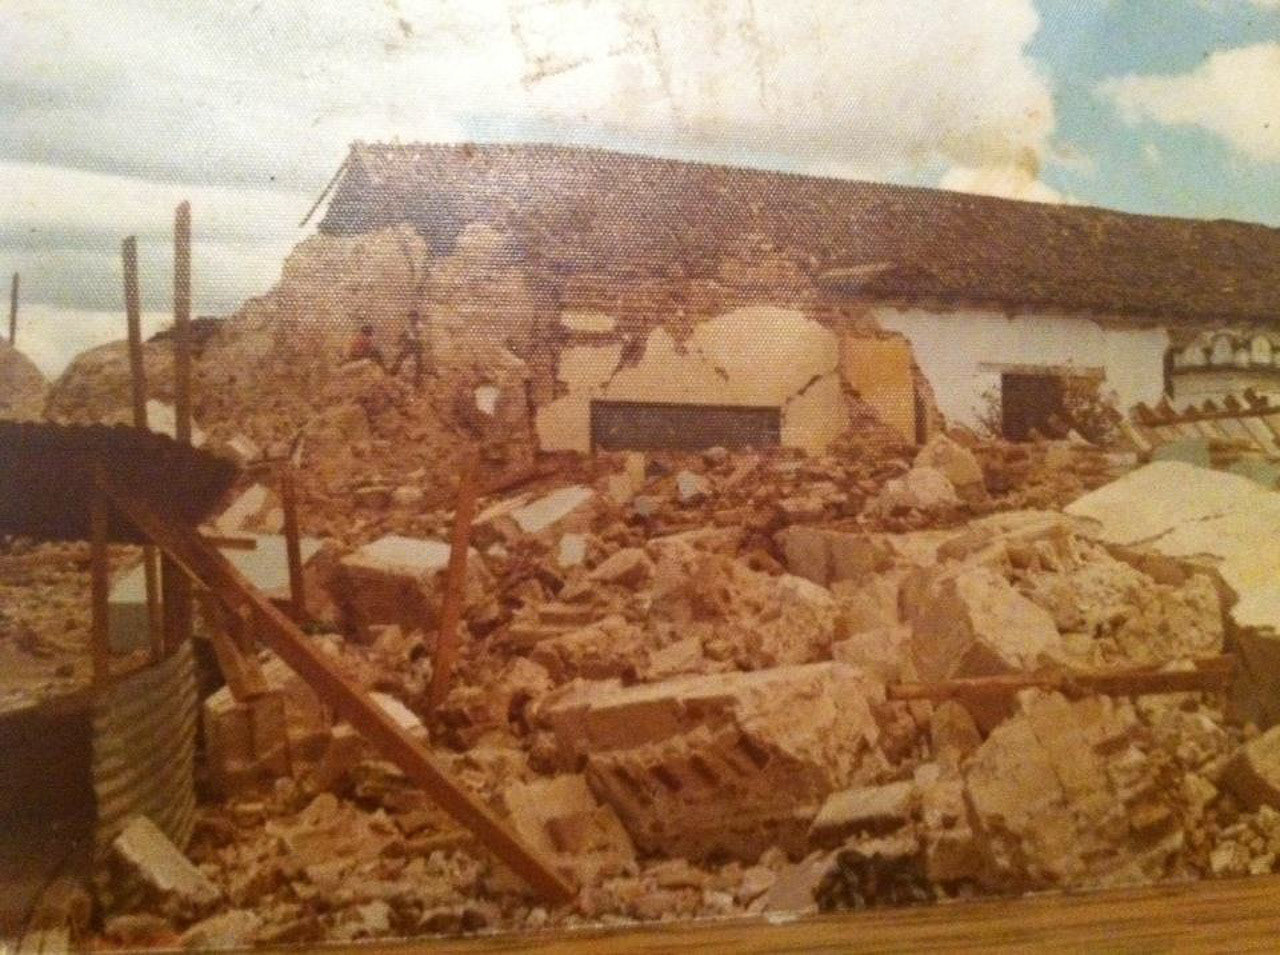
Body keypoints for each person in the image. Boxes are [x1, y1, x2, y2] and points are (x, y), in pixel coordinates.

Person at [390, 309, 427, 388]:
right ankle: (393, 372)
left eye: (413, 317)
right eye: (410, 317)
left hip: (417, 344)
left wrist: (409, 333)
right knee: (401, 356)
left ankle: (418, 379)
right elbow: (404, 333)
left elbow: (416, 335)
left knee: (418, 362)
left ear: (417, 317)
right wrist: (398, 342)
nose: (412, 318)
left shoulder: (420, 325)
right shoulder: (408, 324)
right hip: (410, 343)